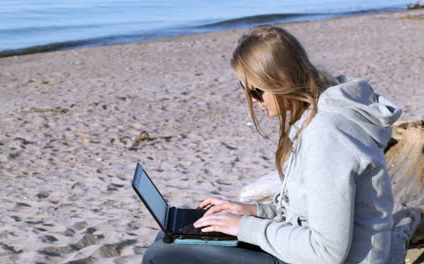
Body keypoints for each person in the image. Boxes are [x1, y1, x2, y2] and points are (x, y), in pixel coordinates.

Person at [142, 24, 401, 264]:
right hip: (311, 252)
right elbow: (306, 215)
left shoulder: (328, 135)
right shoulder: (312, 117)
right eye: (245, 90)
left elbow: (327, 251)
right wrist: (252, 211)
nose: (253, 100)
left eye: (255, 91)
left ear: (281, 81)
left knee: (161, 255)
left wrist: (242, 226)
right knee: (169, 238)